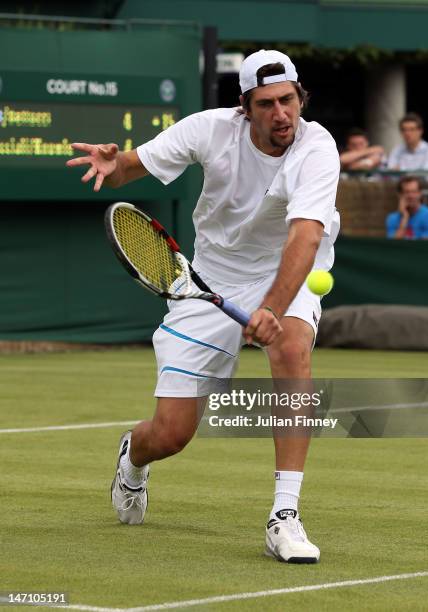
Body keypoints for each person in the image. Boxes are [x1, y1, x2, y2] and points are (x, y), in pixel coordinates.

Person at [67, 49, 340, 564]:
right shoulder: (209, 130)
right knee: (170, 435)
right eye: (266, 104)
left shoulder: (318, 147)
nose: (281, 114)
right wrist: (115, 163)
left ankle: (284, 515)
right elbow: (130, 167)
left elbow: (304, 237)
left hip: (284, 271)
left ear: (300, 97)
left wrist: (274, 309)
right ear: (244, 107)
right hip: (208, 279)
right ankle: (134, 457)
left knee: (293, 346)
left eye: (288, 100)